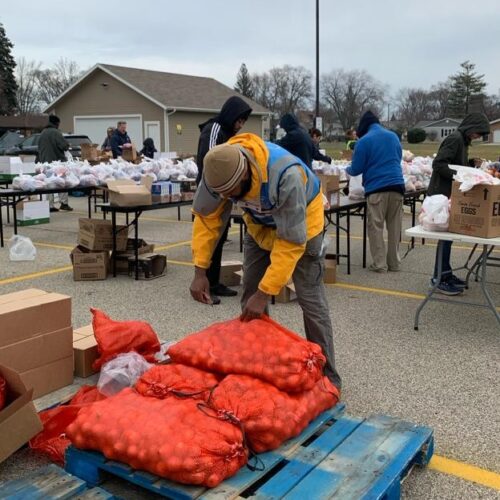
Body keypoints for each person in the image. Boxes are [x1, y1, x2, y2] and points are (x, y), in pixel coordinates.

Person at [190, 132, 341, 390]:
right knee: (249, 293)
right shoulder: (217, 168)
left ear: (246, 174)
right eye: (223, 195)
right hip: (259, 225)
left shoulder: (287, 176)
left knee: (310, 298)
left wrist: (266, 292)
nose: (230, 199)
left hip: (304, 225)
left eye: (233, 193)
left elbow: (291, 241)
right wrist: (200, 270)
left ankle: (327, 375)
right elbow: (207, 219)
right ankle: (260, 364)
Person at [195, 95, 252, 303]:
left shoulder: (228, 134)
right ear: (231, 115)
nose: (240, 125)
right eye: (239, 120)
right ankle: (204, 282)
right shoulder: (215, 130)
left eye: (243, 122)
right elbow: (210, 160)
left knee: (219, 236)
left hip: (224, 191)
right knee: (208, 237)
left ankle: (214, 280)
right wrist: (216, 189)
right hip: (211, 192)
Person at [427, 113, 490, 295]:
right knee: (445, 238)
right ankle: (438, 278)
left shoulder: (462, 141)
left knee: (449, 238)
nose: (478, 136)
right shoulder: (455, 139)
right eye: (478, 132)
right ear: (471, 127)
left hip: (449, 194)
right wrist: (459, 177)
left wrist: (470, 164)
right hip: (441, 196)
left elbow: (455, 164)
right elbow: (439, 164)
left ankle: (445, 274)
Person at [346, 111, 404, 273]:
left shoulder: (364, 141)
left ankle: (380, 264)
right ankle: (394, 263)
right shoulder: (393, 136)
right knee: (394, 227)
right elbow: (398, 158)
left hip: (377, 189)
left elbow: (356, 168)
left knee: (376, 227)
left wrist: (347, 169)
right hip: (397, 186)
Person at [38, 115, 73, 212]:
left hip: (45, 163)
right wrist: (68, 145)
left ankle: (50, 206)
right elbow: (64, 146)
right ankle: (64, 203)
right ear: (56, 123)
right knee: (62, 183)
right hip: (57, 163)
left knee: (49, 184)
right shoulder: (56, 132)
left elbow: (39, 148)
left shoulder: (43, 133)